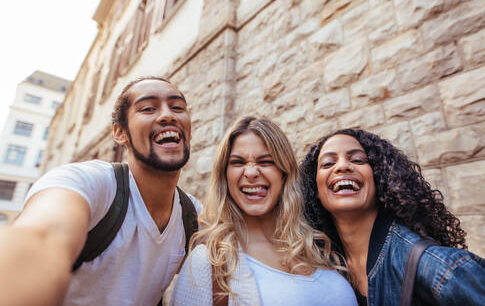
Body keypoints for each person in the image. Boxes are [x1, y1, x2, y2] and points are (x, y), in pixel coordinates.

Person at [0, 77, 202, 306]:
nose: (168, 115)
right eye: (148, 108)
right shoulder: (87, 183)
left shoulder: (192, 216)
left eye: (178, 107)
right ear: (120, 133)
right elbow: (41, 239)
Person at [171, 116, 357, 306]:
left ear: (284, 173)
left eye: (265, 161)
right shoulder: (208, 262)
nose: (251, 173)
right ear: (225, 177)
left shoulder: (317, 245)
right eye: (238, 162)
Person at [300, 128, 485, 306]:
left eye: (358, 160)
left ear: (380, 177)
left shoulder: (441, 268)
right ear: (314, 188)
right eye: (328, 163)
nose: (342, 166)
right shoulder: (322, 265)